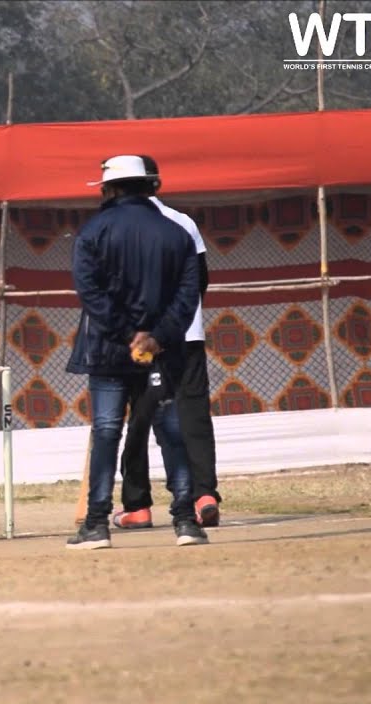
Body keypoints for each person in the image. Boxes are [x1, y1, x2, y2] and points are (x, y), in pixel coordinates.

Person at [64, 155, 203, 550]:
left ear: (109, 189)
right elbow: (189, 295)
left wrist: (127, 333)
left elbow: (91, 293)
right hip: (162, 353)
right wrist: (157, 337)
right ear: (150, 187)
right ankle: (185, 521)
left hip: (109, 351)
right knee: (170, 431)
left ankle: (96, 524)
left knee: (107, 432)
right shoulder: (177, 233)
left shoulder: (93, 232)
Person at [115, 155, 223, 530]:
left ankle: (138, 506)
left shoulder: (114, 227)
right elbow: (200, 281)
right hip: (187, 336)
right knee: (193, 416)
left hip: (140, 341)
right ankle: (204, 495)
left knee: (139, 420)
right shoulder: (183, 222)